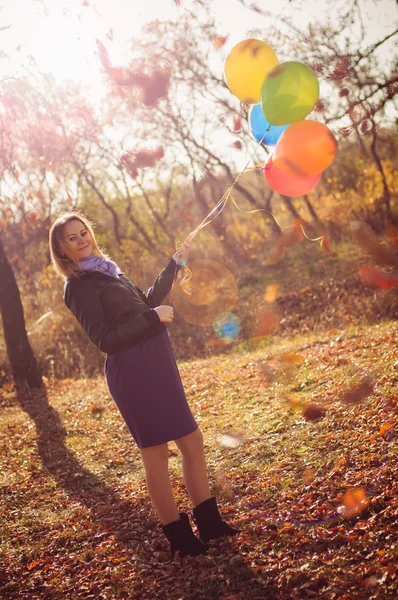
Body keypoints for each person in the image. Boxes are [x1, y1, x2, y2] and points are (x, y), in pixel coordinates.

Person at [49, 211, 239, 560]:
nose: (81, 239)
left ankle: (209, 523)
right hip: (132, 371)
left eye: (83, 232)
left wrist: (171, 267)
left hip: (158, 362)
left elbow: (146, 304)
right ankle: (180, 539)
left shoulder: (107, 270)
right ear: (62, 250)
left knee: (192, 441)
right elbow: (104, 338)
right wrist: (153, 318)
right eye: (71, 238)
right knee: (156, 454)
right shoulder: (78, 286)